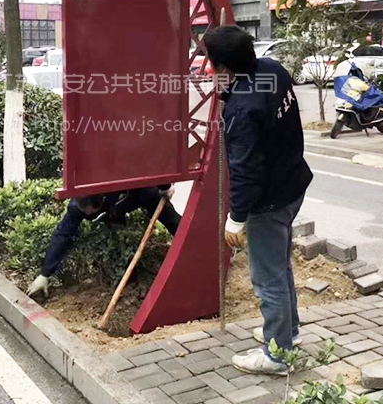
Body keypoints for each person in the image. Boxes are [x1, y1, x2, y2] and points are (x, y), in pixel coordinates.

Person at [204, 25, 313, 376]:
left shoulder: (242, 109)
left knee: (267, 278)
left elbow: (245, 169)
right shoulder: (272, 70)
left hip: (268, 201)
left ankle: (277, 356)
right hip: (292, 185)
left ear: (222, 66)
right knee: (280, 266)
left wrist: (236, 218)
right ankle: (287, 333)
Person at [26, 185, 180, 297]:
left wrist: (164, 187)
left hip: (136, 194)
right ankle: (129, 276)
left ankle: (190, 249)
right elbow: (62, 235)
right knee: (117, 238)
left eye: (91, 212)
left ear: (101, 201)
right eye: (86, 213)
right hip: (111, 210)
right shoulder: (77, 207)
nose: (88, 214)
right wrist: (44, 274)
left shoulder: (131, 189)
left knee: (172, 220)